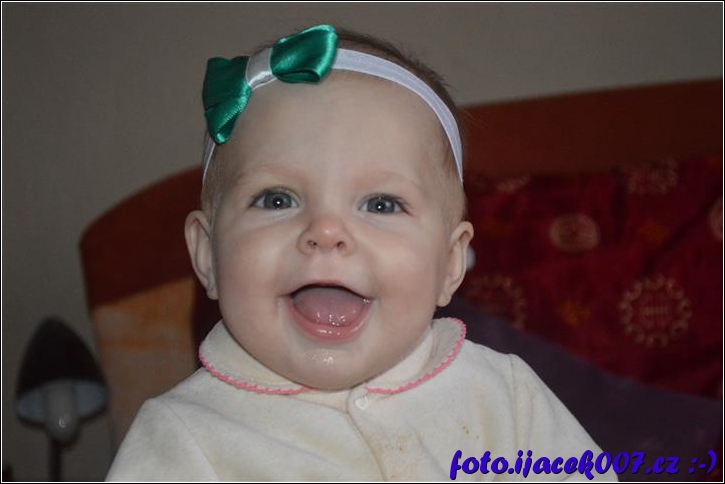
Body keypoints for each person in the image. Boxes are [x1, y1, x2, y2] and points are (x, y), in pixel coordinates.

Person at [106, 24, 616, 481]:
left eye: (381, 203)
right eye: (277, 199)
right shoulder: (180, 441)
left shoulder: (505, 398)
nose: (327, 231)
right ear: (207, 254)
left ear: (450, 263)